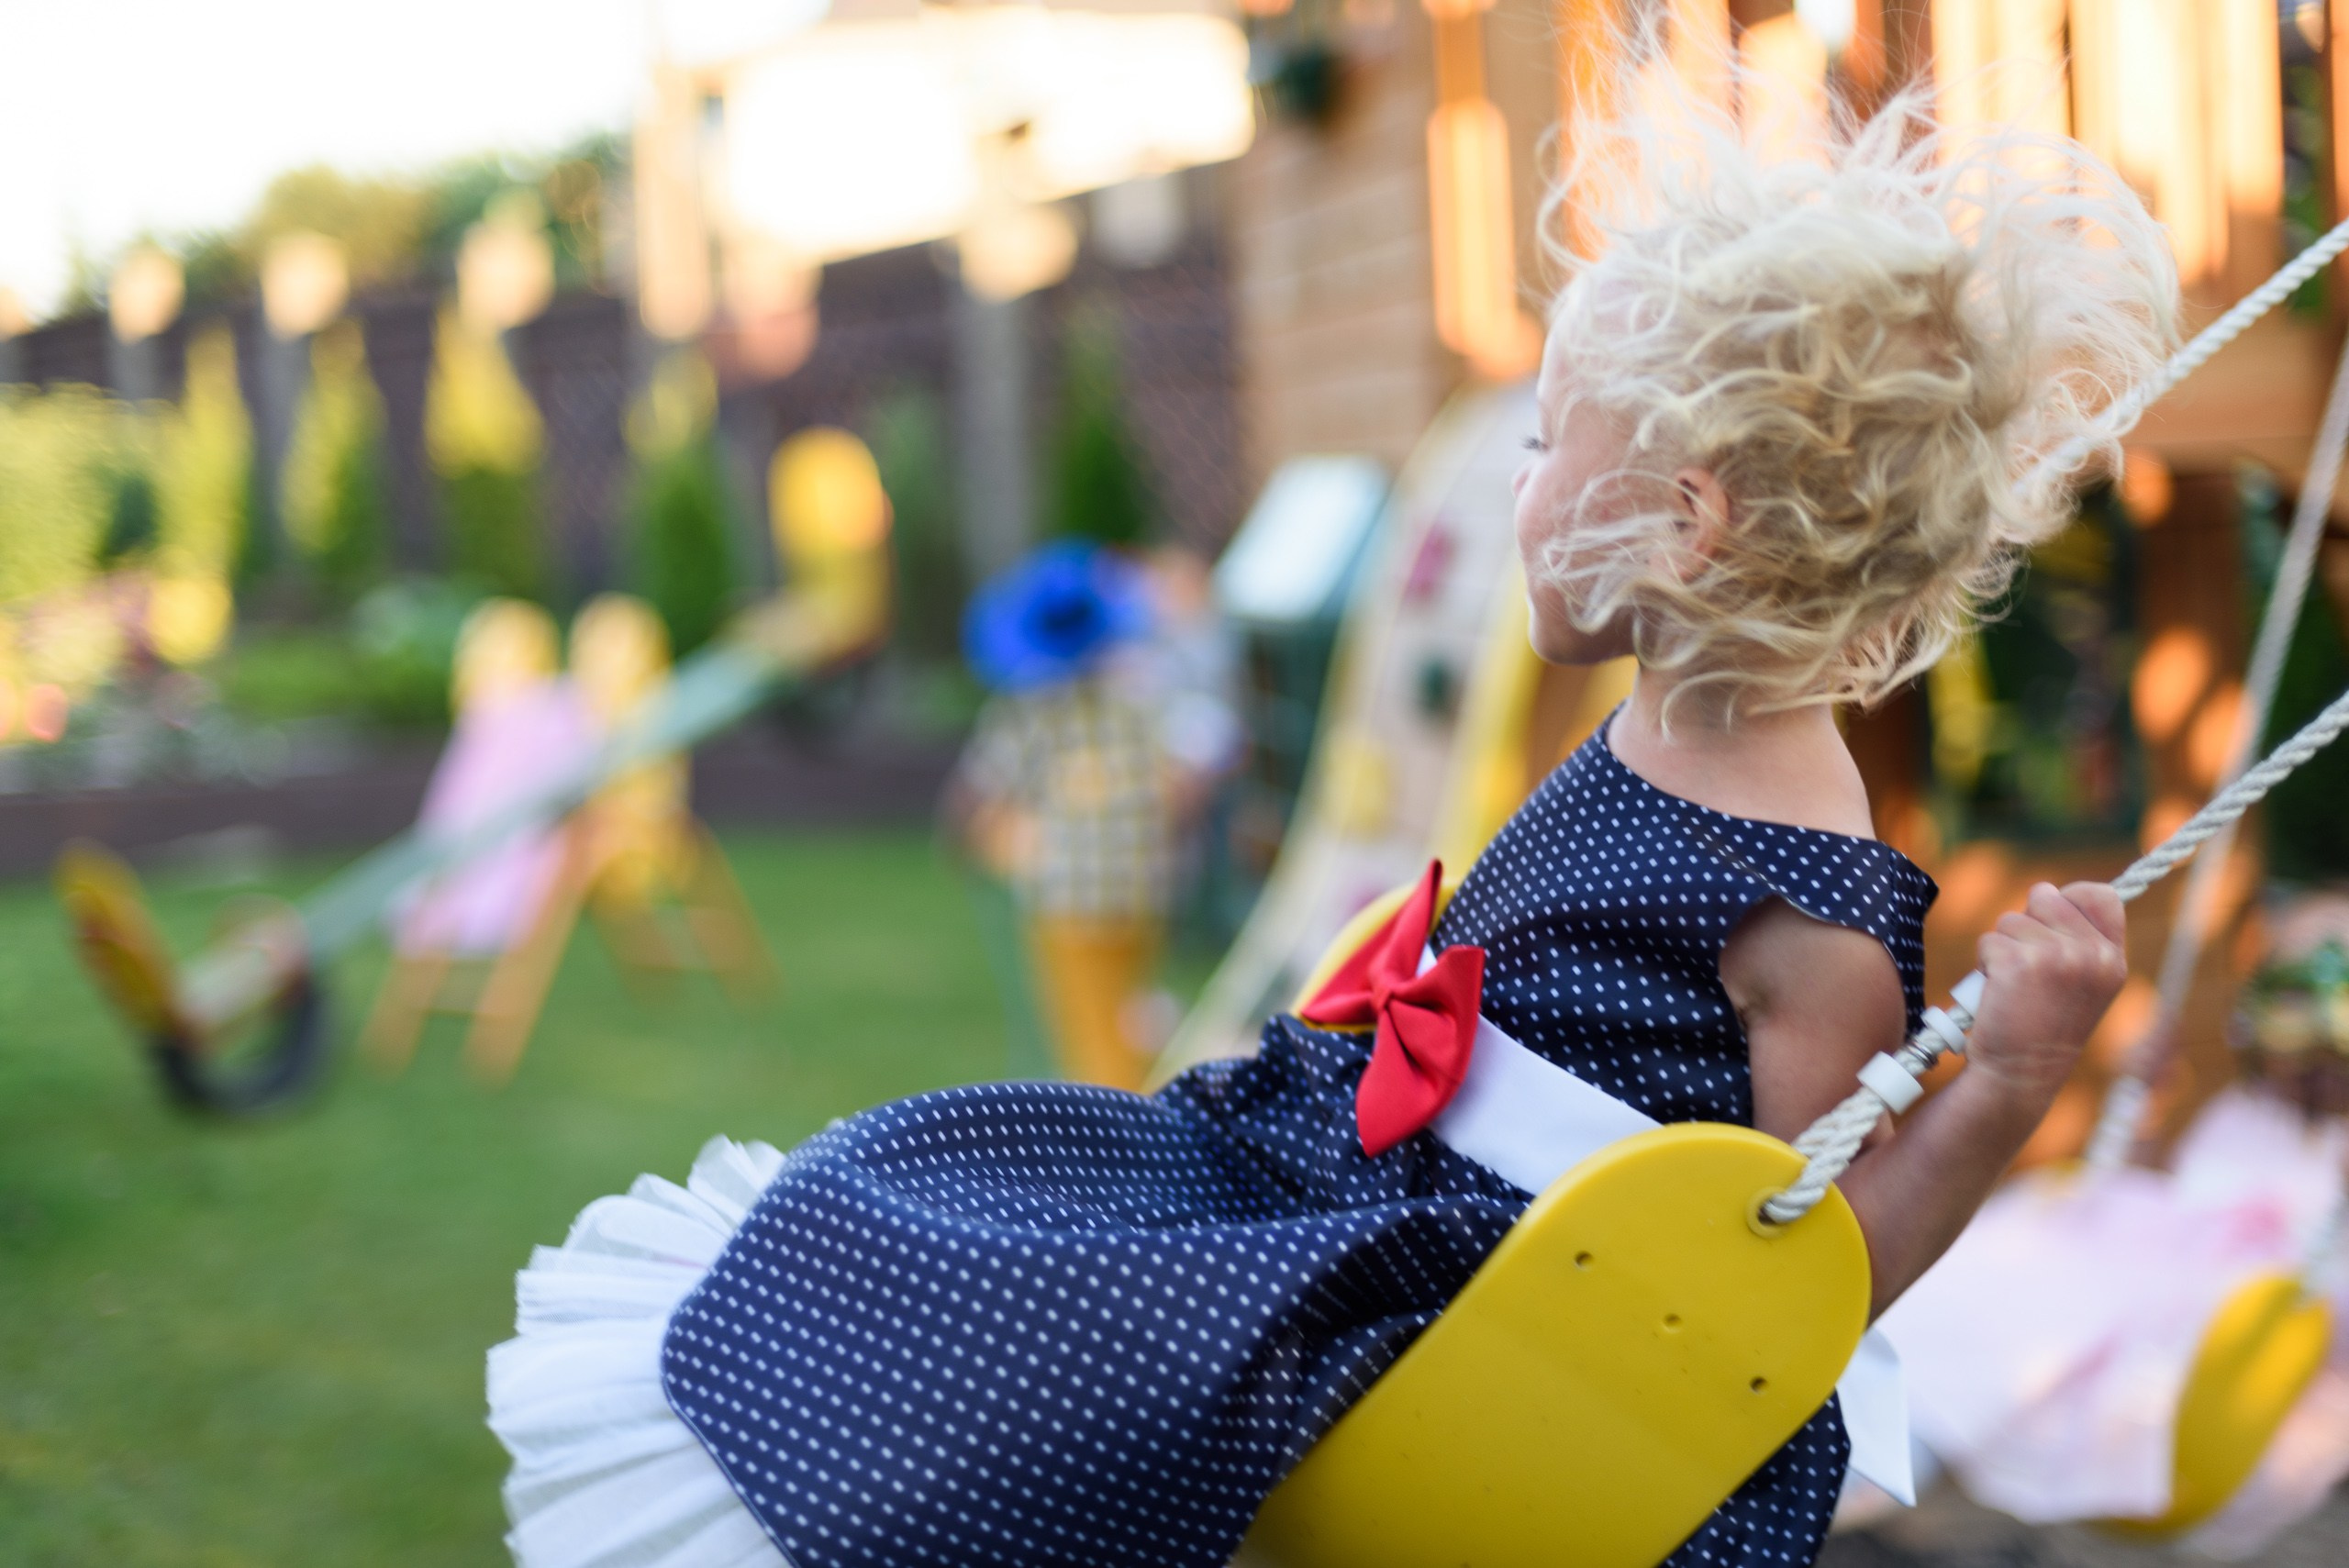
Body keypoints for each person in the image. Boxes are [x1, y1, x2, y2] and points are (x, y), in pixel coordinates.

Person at [486, 53, 2168, 1568]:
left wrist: (2014, 1068)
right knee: (930, 1176)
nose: (1517, 486)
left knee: (1062, 1320)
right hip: (1340, 1162)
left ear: (1681, 523)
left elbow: (1812, 1263)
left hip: (1487, 1325)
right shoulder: (1661, 718)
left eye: (1540, 444)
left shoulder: (1807, 901)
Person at [943, 540, 1174, 1090]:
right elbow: (1170, 780)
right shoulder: (1136, 703)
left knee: (1086, 1025)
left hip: (1070, 894)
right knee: (1127, 1010)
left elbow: (980, 788)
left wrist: (966, 836)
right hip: (1141, 889)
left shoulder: (1030, 712)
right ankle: (1142, 1094)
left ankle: (1112, 1130)